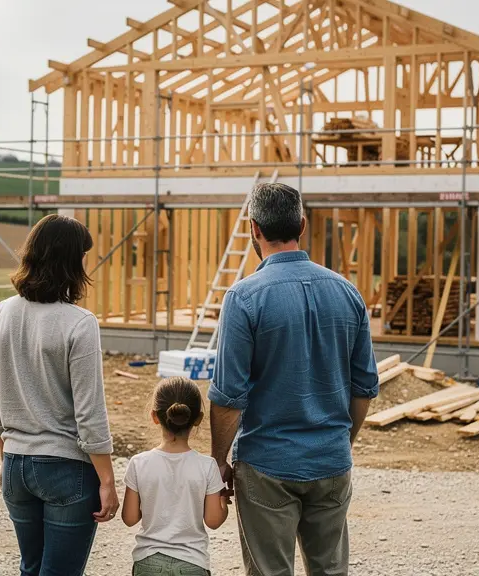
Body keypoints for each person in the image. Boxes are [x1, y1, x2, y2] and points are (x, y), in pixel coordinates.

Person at [208, 182, 379, 576]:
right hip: (332, 461)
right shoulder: (347, 292)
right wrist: (340, 440)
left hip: (267, 464)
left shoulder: (244, 297)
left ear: (254, 229)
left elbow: (228, 397)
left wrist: (218, 461)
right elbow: (365, 387)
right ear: (302, 225)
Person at [0, 214, 119, 576]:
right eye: (83, 257)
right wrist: (108, 480)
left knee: (31, 569)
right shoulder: (79, 323)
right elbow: (90, 414)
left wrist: (7, 453)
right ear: (70, 262)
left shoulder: (1, 313)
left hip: (15, 463)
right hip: (66, 469)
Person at [122, 376, 228, 576]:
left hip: (148, 562)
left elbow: (129, 518)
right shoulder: (207, 466)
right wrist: (223, 500)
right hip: (193, 563)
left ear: (155, 417)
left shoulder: (139, 463)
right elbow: (213, 521)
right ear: (198, 419)